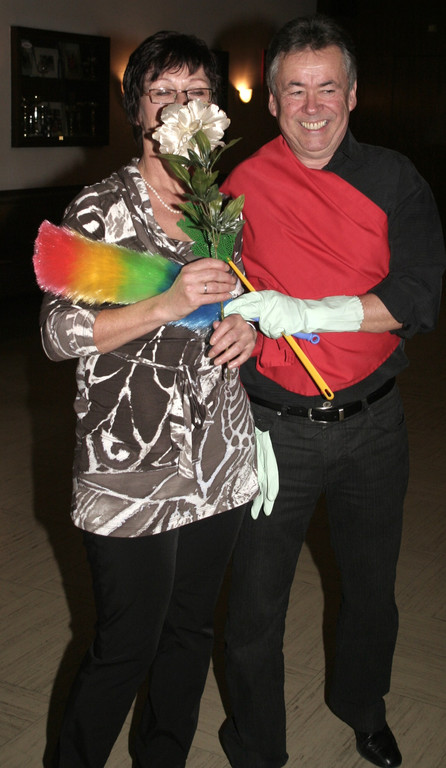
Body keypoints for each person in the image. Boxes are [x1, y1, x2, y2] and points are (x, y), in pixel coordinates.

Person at [220, 14, 446, 768]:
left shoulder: (395, 179)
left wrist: (310, 314)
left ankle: (363, 707)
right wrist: (237, 322)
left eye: (327, 88)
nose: (312, 107)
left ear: (352, 95)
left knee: (372, 591)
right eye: (295, 90)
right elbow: (217, 289)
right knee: (254, 604)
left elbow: (418, 296)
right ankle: (256, 745)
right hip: (270, 427)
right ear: (273, 101)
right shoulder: (239, 186)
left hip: (374, 426)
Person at [40, 30, 258, 768]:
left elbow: (238, 301)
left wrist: (244, 328)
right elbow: (58, 333)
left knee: (190, 632)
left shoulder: (219, 207)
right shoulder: (101, 209)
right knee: (125, 647)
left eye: (195, 92)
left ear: (214, 110)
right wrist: (164, 304)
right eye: (162, 93)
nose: (179, 106)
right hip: (130, 468)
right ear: (137, 110)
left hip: (217, 458)